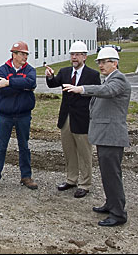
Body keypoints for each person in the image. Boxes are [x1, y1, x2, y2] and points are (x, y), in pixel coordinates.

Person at [63, 47, 131, 227]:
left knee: (112, 175)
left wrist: (81, 89)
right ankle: (111, 203)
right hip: (104, 135)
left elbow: (107, 92)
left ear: (114, 63)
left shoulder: (118, 80)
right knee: (107, 174)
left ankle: (118, 213)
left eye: (104, 62)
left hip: (112, 136)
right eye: (99, 62)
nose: (100, 65)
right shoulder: (108, 79)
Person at [45, 41, 101, 198]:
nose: (74, 57)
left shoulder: (92, 75)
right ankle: (71, 179)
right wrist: (50, 77)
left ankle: (85, 183)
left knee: (84, 152)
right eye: (72, 55)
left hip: (83, 119)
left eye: (77, 55)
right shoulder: (65, 72)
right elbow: (53, 84)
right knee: (69, 150)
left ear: (85, 56)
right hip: (66, 118)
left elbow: (96, 94)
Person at [0, 41, 38, 191]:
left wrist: (9, 82)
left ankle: (26, 176)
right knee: (1, 147)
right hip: (5, 115)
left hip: (23, 115)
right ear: (14, 55)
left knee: (24, 146)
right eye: (22, 54)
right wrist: (21, 86)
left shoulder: (30, 70)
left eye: (26, 54)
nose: (25, 57)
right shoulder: (2, 70)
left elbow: (31, 83)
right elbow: (2, 90)